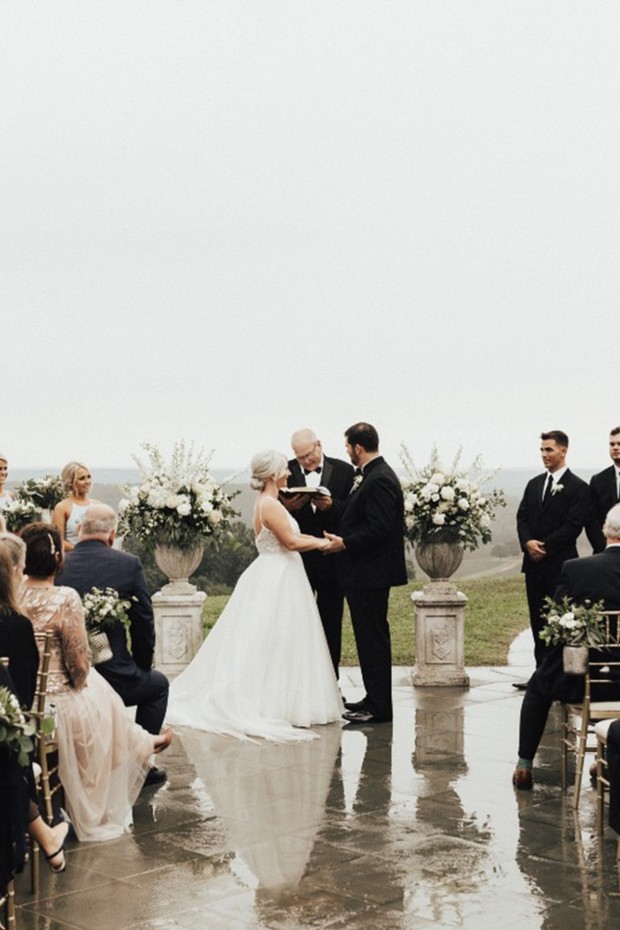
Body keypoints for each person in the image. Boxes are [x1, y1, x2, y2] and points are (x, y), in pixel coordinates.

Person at [166, 449, 342, 741]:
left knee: (277, 640)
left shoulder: (268, 502)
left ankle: (283, 700)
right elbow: (289, 541)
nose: (289, 473)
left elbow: (291, 539)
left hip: (277, 572)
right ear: (273, 474)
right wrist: (326, 544)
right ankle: (276, 704)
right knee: (277, 639)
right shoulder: (270, 505)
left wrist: (316, 538)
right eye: (285, 469)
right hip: (279, 576)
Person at [19, 523, 173, 841]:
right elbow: (78, 665)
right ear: (57, 560)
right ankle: (140, 746)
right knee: (96, 691)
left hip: (19, 701)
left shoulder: (12, 595)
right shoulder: (64, 598)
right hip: (54, 709)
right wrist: (79, 682)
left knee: (100, 692)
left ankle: (142, 741)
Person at [55, 504, 169, 786]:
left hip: (67, 679)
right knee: (158, 686)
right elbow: (143, 620)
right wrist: (142, 665)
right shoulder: (128, 564)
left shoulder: (57, 565)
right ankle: (140, 762)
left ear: (79, 530)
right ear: (112, 533)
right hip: (116, 675)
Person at [513, 503, 620, 790]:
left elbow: (556, 622)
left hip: (580, 681)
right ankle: (607, 760)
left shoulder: (576, 570)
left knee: (538, 687)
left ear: (605, 531)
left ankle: (524, 763)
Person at [324, 422, 407, 725]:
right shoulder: (371, 476)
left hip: (371, 575)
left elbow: (380, 528)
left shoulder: (380, 478)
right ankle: (373, 698)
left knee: (373, 640)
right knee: (367, 639)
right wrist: (334, 507)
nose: (346, 452)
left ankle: (380, 709)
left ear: (358, 447)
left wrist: (344, 543)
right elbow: (358, 515)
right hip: (363, 574)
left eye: (347, 446)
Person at [0, 535, 70, 874]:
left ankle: (47, 838)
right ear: (12, 573)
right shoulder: (17, 625)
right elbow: (24, 703)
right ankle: (46, 836)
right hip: (11, 738)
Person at [515, 430, 590, 680]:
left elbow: (573, 526)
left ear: (563, 451)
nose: (544, 455)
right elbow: (522, 516)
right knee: (537, 621)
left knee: (558, 621)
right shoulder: (534, 484)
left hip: (560, 566)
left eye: (549, 450)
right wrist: (527, 543)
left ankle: (557, 677)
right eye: (542, 450)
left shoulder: (578, 487)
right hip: (533, 567)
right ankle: (539, 677)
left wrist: (543, 547)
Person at [284, 428, 354, 676]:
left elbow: (352, 512)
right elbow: (275, 512)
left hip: (332, 560)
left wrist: (332, 506)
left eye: (309, 455)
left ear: (319, 445)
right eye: (301, 457)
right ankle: (298, 679)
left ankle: (330, 680)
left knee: (331, 623)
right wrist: (290, 507)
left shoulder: (345, 471)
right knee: (297, 622)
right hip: (298, 560)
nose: (306, 461)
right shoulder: (286, 471)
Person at [586, 426, 620, 554]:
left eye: (619, 444)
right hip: (604, 553)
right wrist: (605, 549)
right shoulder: (598, 480)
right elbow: (591, 520)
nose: (615, 447)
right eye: (612, 444)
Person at [52, 462, 98, 551]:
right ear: (70, 482)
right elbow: (58, 541)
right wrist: (81, 551)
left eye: (88, 477)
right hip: (73, 559)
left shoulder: (97, 505)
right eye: (82, 478)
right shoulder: (62, 508)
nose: (87, 482)